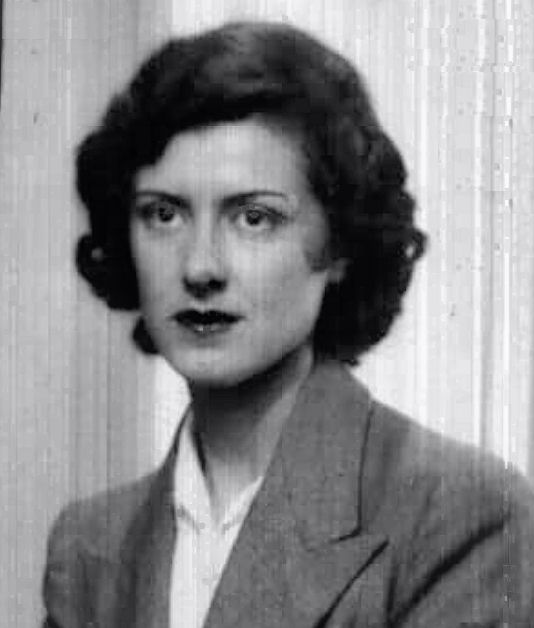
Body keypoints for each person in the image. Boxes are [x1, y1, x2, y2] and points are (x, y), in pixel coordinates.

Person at [42, 21, 534, 628]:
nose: (200, 267)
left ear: (340, 245)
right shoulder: (89, 547)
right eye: (163, 215)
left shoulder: (461, 513)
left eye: (254, 218)